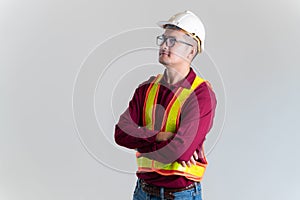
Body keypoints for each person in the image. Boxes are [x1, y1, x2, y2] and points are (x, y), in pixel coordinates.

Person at [114, 10, 217, 200]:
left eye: (172, 41)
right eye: (163, 39)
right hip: (142, 191)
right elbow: (120, 134)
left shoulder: (201, 95)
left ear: (191, 50)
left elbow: (180, 151)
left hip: (179, 195)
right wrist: (160, 136)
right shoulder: (146, 89)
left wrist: (140, 140)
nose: (163, 45)